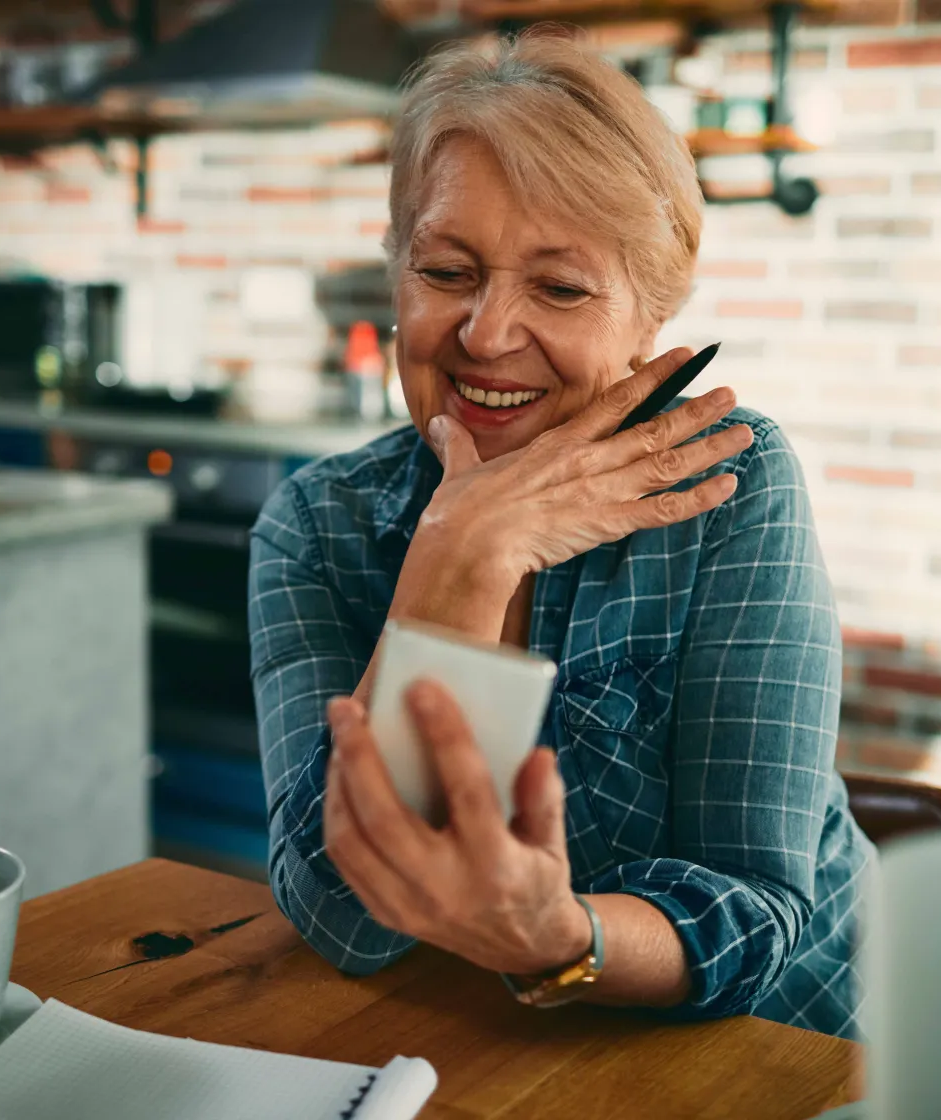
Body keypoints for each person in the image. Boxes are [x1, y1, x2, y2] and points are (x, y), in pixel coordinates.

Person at [248, 30, 870, 1040]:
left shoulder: (728, 477)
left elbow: (758, 911)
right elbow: (344, 920)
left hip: (792, 1047)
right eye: (447, 270)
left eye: (561, 287)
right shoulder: (317, 523)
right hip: (501, 1053)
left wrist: (558, 933)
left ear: (646, 323)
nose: (488, 335)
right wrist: (466, 554)